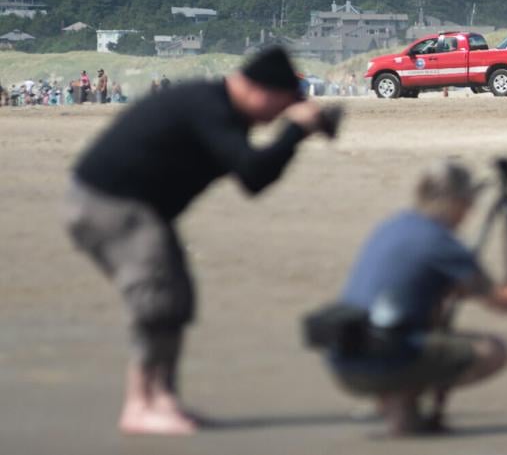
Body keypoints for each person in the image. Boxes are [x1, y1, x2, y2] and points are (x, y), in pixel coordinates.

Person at [65, 46, 328, 435]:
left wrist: (294, 132)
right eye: (282, 106)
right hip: (110, 204)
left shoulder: (224, 111)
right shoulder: (211, 108)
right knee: (156, 299)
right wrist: (295, 132)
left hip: (136, 208)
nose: (278, 116)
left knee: (176, 298)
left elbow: (253, 178)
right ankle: (139, 405)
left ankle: (163, 399)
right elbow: (254, 173)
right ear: (260, 91)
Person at [328, 161, 507, 436]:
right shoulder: (440, 243)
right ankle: (398, 401)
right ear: (456, 201)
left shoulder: (393, 226)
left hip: (343, 356)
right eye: (468, 202)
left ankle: (400, 410)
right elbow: (504, 302)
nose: (470, 210)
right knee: (493, 350)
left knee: (426, 326)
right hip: (379, 359)